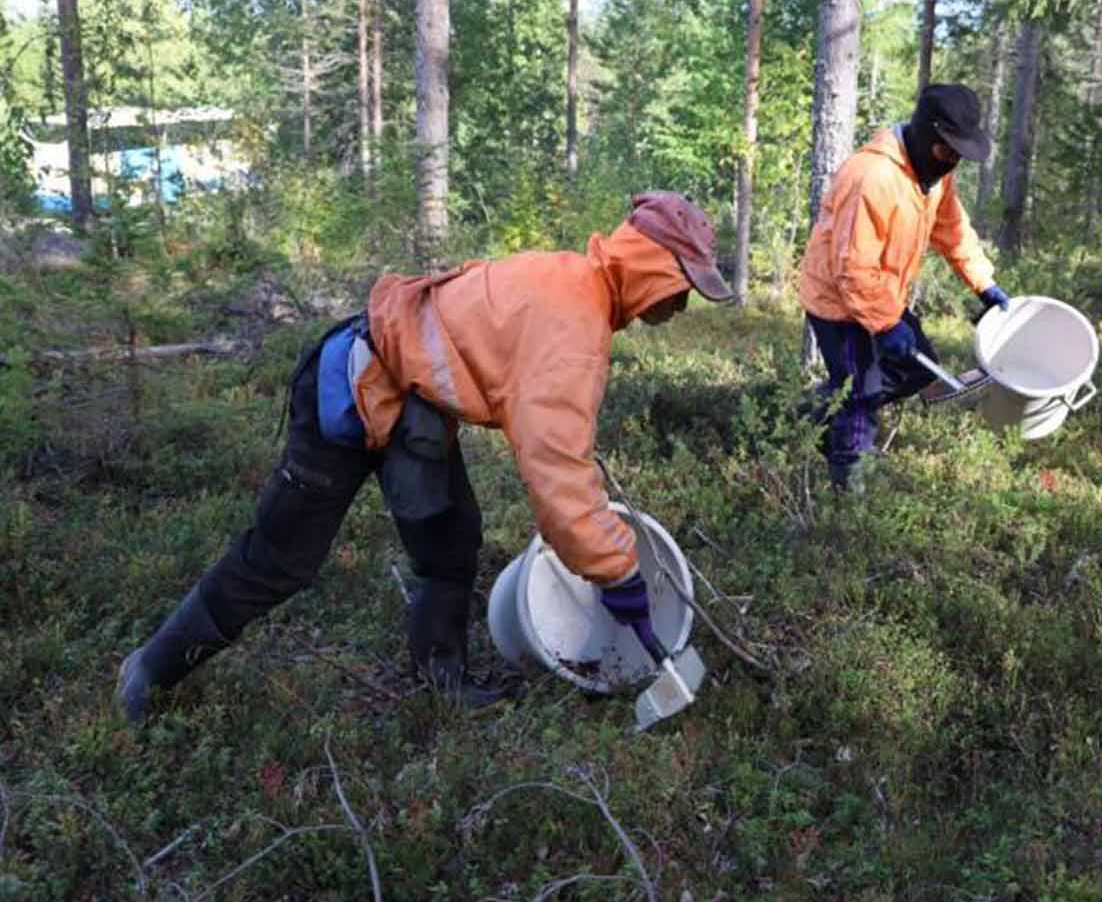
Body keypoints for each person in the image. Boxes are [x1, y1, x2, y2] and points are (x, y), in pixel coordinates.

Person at [116, 192, 734, 723]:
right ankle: (151, 670)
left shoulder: (575, 282)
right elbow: (560, 475)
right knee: (281, 559)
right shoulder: (572, 323)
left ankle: (442, 682)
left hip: (413, 407)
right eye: (680, 290)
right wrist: (618, 569)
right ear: (652, 269)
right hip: (354, 387)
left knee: (450, 544)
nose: (678, 309)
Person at [798, 82, 1011, 491]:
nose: (951, 162)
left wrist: (984, 283)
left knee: (914, 370)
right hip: (838, 304)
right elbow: (853, 267)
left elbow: (952, 230)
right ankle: (850, 482)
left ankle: (818, 410)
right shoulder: (872, 177)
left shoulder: (932, 177)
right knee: (862, 391)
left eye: (958, 155)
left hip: (882, 296)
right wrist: (884, 324)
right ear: (926, 133)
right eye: (947, 150)